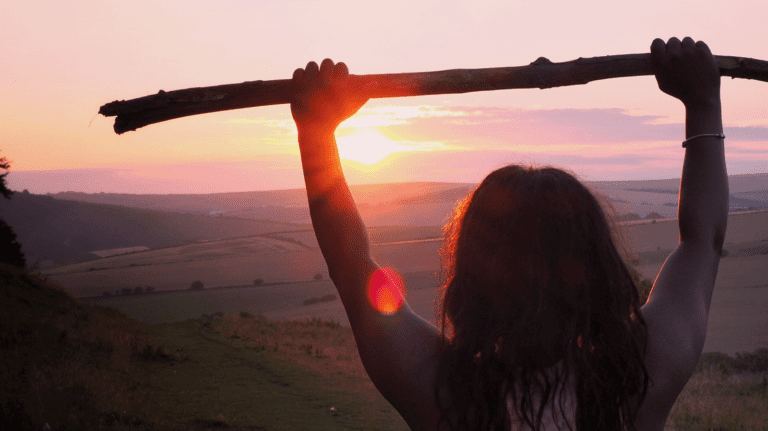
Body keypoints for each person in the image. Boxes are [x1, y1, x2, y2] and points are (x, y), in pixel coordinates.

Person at [289, 36, 727, 431]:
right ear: (598, 270)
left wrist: (316, 133)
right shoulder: (639, 378)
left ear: (472, 276)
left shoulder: (438, 390)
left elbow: (350, 266)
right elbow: (702, 242)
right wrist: (703, 102)